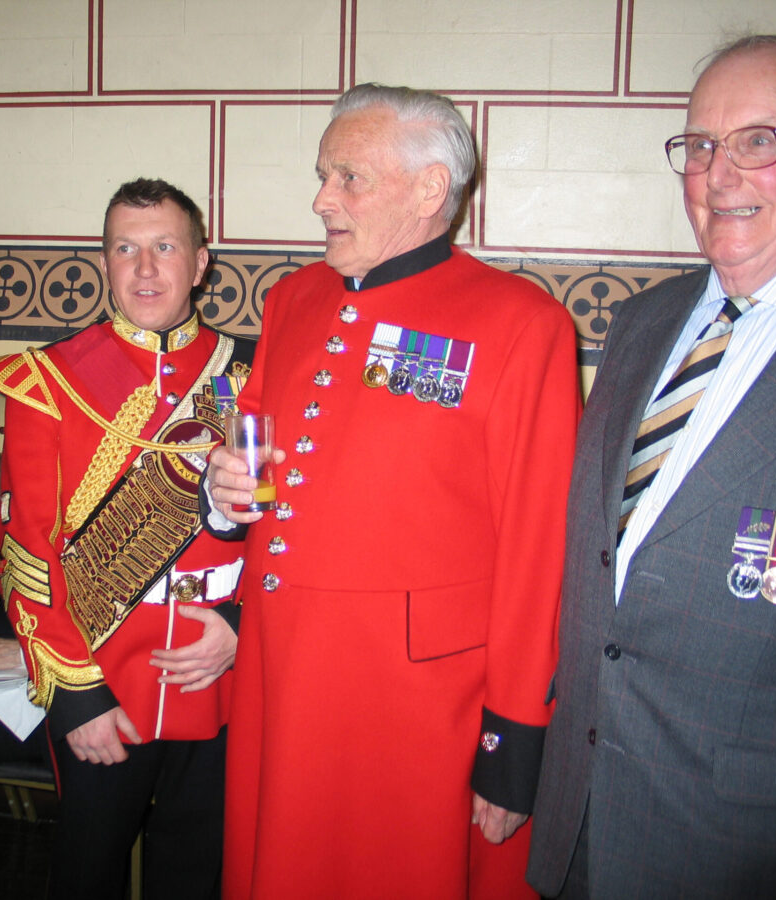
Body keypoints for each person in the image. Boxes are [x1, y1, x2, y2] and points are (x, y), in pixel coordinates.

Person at [527, 34, 776, 899]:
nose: (718, 175)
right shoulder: (644, 324)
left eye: (759, 141)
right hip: (580, 824)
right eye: (698, 146)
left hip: (759, 854)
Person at [204, 84, 581, 899]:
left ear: (429, 189)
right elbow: (259, 454)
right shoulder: (293, 300)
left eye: (348, 177)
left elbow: (539, 548)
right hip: (282, 674)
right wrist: (225, 493)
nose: (320, 199)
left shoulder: (520, 322)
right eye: (322, 175)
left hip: (415, 708)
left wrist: (515, 736)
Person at [0, 178, 254, 899]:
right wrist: (75, 697)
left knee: (199, 873)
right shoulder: (49, 381)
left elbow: (290, 533)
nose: (145, 270)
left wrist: (238, 626)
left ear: (199, 264)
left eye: (165, 247)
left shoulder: (257, 375)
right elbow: (28, 551)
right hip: (104, 683)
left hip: (222, 680)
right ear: (105, 262)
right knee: (86, 873)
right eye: (125, 250)